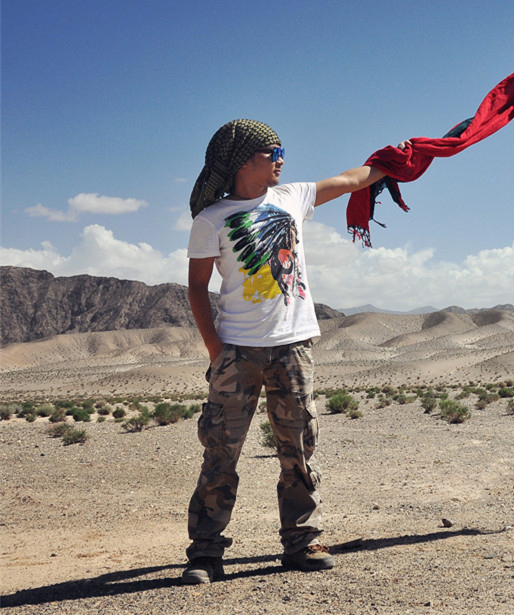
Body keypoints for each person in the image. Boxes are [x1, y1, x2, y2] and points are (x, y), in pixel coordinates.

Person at [182, 118, 408, 584]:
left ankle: (302, 543)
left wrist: (399, 157)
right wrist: (215, 351)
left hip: (293, 348)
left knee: (300, 449)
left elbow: (350, 180)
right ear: (246, 159)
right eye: (273, 151)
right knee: (221, 453)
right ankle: (205, 554)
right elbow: (196, 288)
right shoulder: (210, 220)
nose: (282, 158)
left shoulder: (292, 197)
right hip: (238, 352)